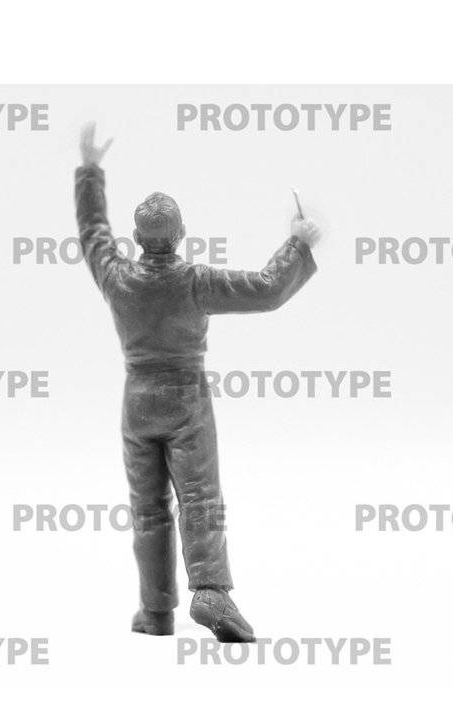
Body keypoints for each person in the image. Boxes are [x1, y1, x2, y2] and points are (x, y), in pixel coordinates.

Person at [75, 122, 322, 642]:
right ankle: (209, 591)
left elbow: (93, 234)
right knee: (200, 497)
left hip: (136, 403)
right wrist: (298, 244)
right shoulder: (196, 281)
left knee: (148, 510)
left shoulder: (116, 277)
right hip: (186, 399)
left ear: (136, 239)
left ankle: (155, 612)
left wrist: (90, 171)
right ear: (182, 234)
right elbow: (267, 289)